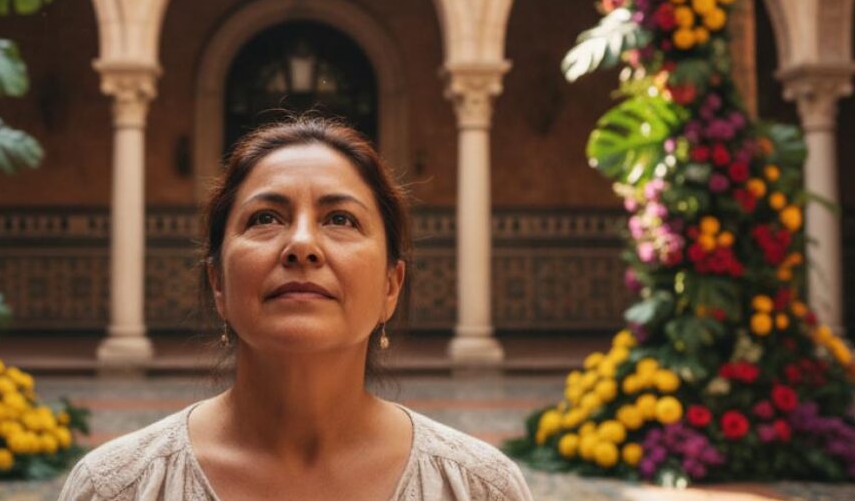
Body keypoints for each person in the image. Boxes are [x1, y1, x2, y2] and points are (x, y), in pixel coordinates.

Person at [59, 117, 533, 501]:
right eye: (266, 218)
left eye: (340, 219)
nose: (302, 245)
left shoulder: (476, 488)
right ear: (218, 283)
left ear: (392, 286)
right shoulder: (118, 488)